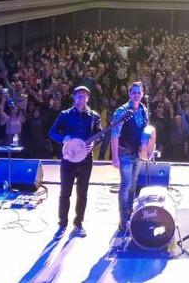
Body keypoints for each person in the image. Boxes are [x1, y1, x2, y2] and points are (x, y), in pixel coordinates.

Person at [49, 85, 101, 239]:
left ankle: (78, 223)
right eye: (78, 95)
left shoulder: (94, 116)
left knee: (82, 193)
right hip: (69, 159)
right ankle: (62, 225)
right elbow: (52, 132)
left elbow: (100, 134)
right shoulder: (65, 115)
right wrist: (62, 139)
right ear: (73, 97)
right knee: (65, 193)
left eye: (84, 96)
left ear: (88, 98)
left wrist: (94, 142)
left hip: (86, 160)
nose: (81, 98)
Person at [110, 81, 150, 232]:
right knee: (126, 185)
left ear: (142, 94)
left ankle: (130, 213)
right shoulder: (121, 111)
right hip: (125, 154)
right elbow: (114, 134)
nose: (136, 95)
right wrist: (114, 157)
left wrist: (148, 150)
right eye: (133, 92)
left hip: (138, 153)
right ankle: (123, 220)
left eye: (138, 92)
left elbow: (146, 132)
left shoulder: (143, 109)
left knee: (133, 184)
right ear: (129, 94)